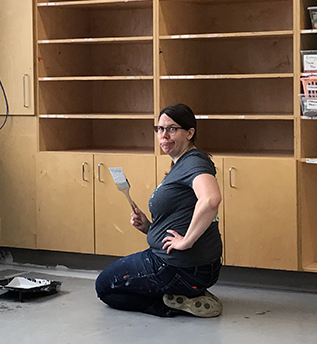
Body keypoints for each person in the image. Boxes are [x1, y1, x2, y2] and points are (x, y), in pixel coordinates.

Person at [95, 103, 223, 317]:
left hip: (177, 267)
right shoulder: (182, 164)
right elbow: (181, 214)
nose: (164, 135)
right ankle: (190, 294)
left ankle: (169, 304)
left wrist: (186, 241)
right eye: (160, 129)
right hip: (199, 268)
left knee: (106, 287)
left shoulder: (193, 162)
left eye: (172, 129)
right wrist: (149, 227)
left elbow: (210, 199)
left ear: (190, 133)